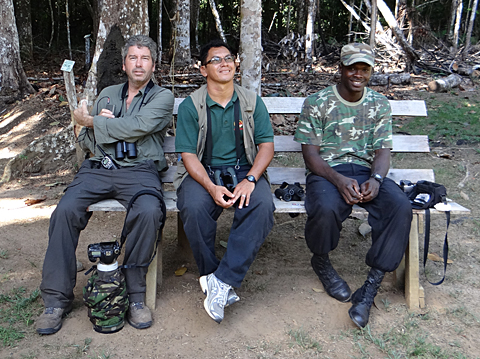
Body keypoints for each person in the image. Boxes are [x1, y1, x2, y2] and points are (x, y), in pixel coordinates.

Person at [36, 35, 174, 335]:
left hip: (139, 171)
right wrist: (87, 125)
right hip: (98, 169)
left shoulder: (162, 97)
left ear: (153, 64)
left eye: (145, 58)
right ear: (124, 64)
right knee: (65, 211)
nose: (139, 64)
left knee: (149, 210)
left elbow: (139, 126)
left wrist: (96, 123)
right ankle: (55, 299)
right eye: (133, 58)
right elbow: (87, 138)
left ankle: (136, 295)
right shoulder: (108, 94)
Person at [294, 43, 412, 328]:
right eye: (352, 68)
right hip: (327, 172)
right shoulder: (317, 102)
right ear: (341, 69)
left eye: (364, 69)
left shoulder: (379, 104)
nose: (358, 74)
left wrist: (377, 179)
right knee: (324, 207)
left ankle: (370, 286)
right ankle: (321, 260)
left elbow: (383, 152)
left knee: (400, 206)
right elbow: (311, 156)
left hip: (365, 171)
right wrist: (337, 179)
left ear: (370, 72)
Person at [174, 39, 275, 324]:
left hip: (244, 169)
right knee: (193, 207)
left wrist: (251, 179)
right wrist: (210, 186)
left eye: (228, 58)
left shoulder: (251, 102)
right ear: (203, 69)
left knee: (262, 205)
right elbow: (188, 155)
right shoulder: (192, 106)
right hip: (204, 170)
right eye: (216, 60)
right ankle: (214, 276)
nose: (224, 63)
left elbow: (266, 145)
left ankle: (221, 281)